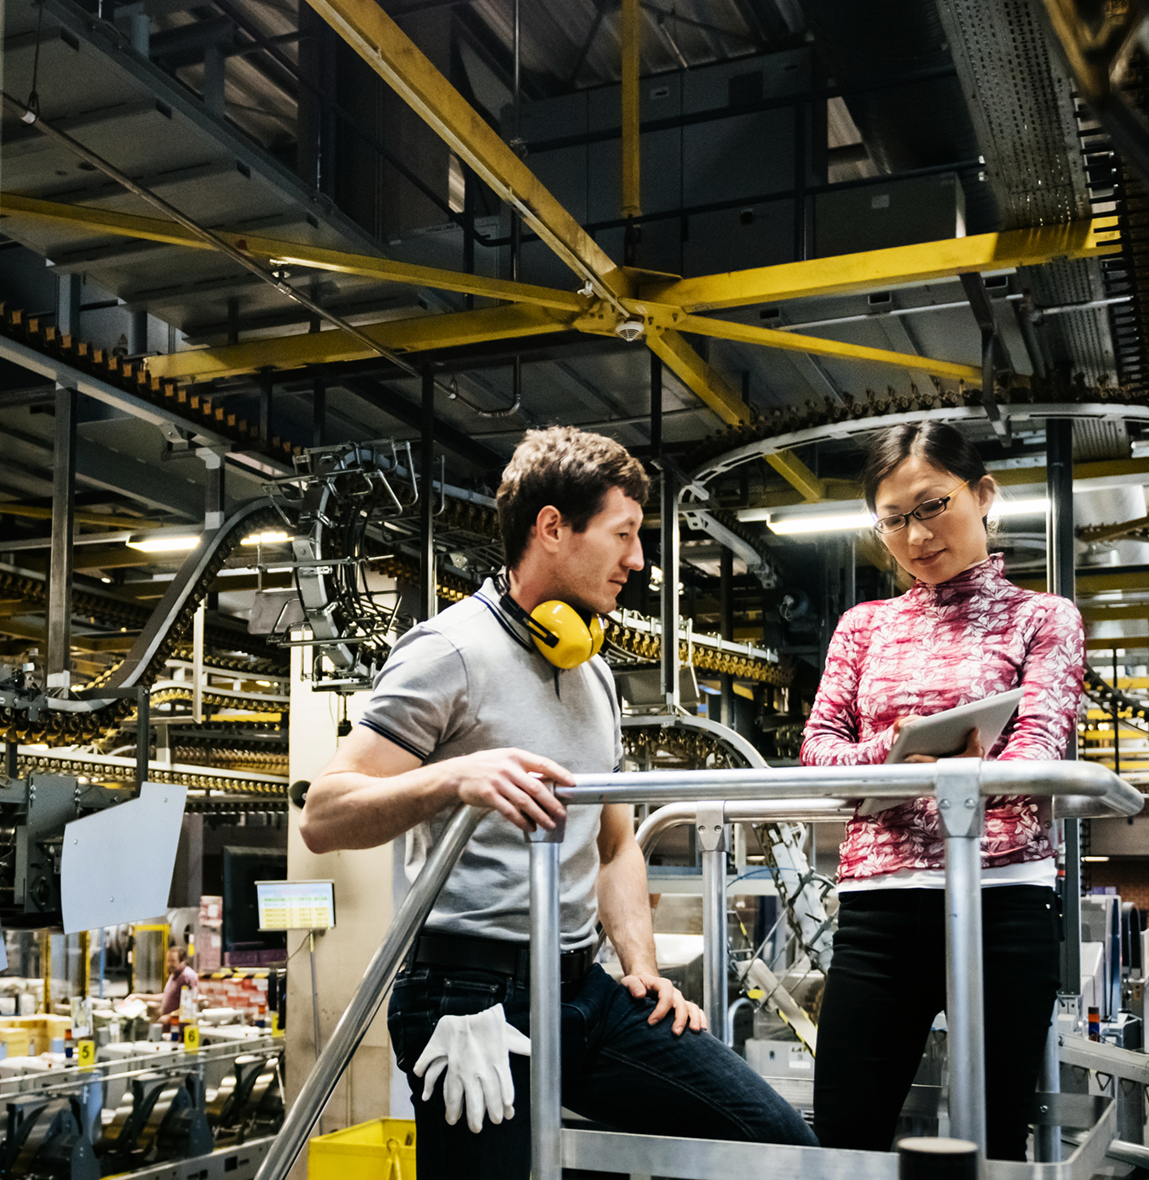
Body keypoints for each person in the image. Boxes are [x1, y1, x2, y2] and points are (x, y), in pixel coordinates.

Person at [301, 427, 817, 1180]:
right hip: (468, 996)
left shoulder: (594, 674)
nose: (636, 560)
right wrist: (455, 776)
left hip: (585, 989)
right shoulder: (449, 650)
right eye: (623, 534)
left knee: (776, 1142)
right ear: (551, 527)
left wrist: (642, 965)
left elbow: (614, 844)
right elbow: (324, 812)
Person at [800, 421, 1083, 1160]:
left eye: (932, 506)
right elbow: (817, 753)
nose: (916, 535)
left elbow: (1036, 753)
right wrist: (904, 752)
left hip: (1004, 901)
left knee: (990, 1141)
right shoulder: (863, 628)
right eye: (893, 518)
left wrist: (893, 778)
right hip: (878, 906)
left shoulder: (1042, 617)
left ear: (983, 493)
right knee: (845, 1136)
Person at [159, 945, 199, 1020]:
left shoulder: (187, 977)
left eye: (173, 961)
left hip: (181, 1027)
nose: (169, 964)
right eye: (168, 961)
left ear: (182, 961)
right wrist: (139, 996)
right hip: (170, 1026)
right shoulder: (173, 974)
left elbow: (189, 1006)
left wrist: (168, 1017)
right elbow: (167, 995)